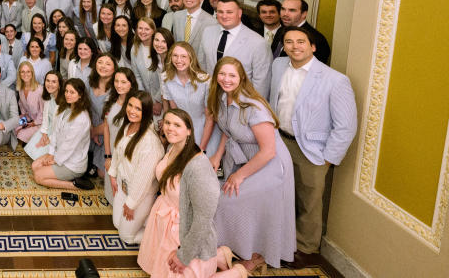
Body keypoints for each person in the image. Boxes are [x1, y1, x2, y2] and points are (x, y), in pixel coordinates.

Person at [268, 27, 357, 264]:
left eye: (301, 42)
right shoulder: (278, 66)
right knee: (281, 194)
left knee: (309, 201)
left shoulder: (335, 80)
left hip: (312, 151)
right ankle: (281, 240)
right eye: (289, 42)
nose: (295, 46)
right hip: (280, 141)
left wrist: (327, 159)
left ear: (313, 47)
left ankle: (305, 249)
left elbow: (346, 126)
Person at [209, 57, 296, 271]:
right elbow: (227, 130)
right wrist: (217, 157)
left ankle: (257, 256)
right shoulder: (222, 98)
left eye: (232, 75)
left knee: (228, 200)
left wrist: (239, 175)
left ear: (241, 78)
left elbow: (268, 151)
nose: (226, 79)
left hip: (271, 166)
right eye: (222, 74)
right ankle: (233, 248)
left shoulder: (254, 106)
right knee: (218, 197)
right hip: (246, 161)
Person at [137, 108, 247, 278]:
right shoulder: (173, 148)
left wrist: (184, 255)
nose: (170, 128)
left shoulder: (198, 166)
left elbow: (202, 219)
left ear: (188, 131)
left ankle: (236, 273)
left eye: (177, 125)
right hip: (165, 219)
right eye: (167, 123)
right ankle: (221, 256)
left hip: (186, 230)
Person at [109, 90, 162, 244]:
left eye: (138, 109)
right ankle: (143, 221)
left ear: (145, 112)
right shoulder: (128, 126)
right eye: (130, 105)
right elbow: (118, 152)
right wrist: (113, 175)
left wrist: (132, 203)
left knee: (126, 237)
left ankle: (164, 238)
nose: (132, 111)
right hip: (123, 187)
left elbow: (143, 179)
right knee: (117, 224)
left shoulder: (150, 143)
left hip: (140, 195)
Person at [199, 0, 273, 97]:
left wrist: (253, 108)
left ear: (239, 13)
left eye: (229, 12)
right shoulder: (207, 32)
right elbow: (202, 65)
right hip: (211, 98)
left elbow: (261, 83)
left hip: (241, 102)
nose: (224, 16)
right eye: (220, 12)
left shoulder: (258, 42)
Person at [31, 78, 94, 190]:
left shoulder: (81, 118)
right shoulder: (65, 108)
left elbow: (69, 146)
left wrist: (54, 160)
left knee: (38, 176)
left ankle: (75, 185)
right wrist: (50, 154)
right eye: (66, 91)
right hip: (59, 154)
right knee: (34, 166)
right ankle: (62, 176)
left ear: (80, 95)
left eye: (72, 92)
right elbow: (55, 133)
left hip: (72, 163)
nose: (68, 95)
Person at [162, 42, 219, 157]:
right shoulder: (166, 78)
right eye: (175, 55)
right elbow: (176, 114)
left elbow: (210, 118)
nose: (179, 60)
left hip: (206, 132)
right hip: (182, 131)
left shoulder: (205, 81)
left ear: (191, 58)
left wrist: (201, 149)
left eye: (183, 56)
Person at [100, 66, 137, 200]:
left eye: (123, 82)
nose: (119, 85)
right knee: (111, 196)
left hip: (127, 156)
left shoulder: (135, 105)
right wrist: (107, 155)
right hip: (112, 152)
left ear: (131, 84)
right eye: (116, 81)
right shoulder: (111, 100)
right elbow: (106, 127)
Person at [270, 0, 332, 64]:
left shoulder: (316, 39)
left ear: (304, 14)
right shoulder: (281, 30)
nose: (285, 14)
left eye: (292, 10)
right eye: (283, 9)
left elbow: (314, 70)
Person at [24, 71, 62, 160]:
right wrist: (44, 133)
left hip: (59, 133)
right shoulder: (49, 97)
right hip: (49, 128)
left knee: (40, 157)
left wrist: (50, 138)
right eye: (48, 81)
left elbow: (61, 127)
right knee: (33, 150)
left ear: (59, 84)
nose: (50, 84)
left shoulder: (63, 102)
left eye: (54, 82)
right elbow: (45, 117)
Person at [130, 18, 164, 114]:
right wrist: (144, 97)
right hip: (146, 98)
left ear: (153, 30)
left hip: (163, 98)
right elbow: (136, 76)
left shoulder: (160, 47)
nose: (143, 32)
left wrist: (158, 101)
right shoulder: (134, 48)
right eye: (140, 28)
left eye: (147, 29)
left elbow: (165, 78)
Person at [14, 61, 44, 144]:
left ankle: (19, 154)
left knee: (21, 135)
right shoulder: (21, 89)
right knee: (13, 126)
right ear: (19, 74)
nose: (25, 74)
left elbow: (44, 112)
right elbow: (23, 108)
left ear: (32, 73)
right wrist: (23, 121)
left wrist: (34, 123)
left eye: (28, 71)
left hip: (39, 123)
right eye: (22, 72)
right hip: (28, 119)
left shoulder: (39, 90)